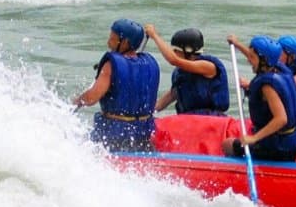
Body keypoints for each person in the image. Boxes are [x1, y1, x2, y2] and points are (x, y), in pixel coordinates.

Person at [73, 18, 160, 152]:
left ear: (125, 42)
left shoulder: (111, 65)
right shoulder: (150, 63)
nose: (108, 42)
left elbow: (91, 98)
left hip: (113, 136)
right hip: (143, 136)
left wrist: (77, 101)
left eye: (112, 38)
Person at [223, 34, 296, 162]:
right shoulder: (281, 69)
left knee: (227, 144)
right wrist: (237, 44)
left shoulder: (267, 87)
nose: (248, 60)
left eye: (251, 57)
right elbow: (258, 56)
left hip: (278, 149)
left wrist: (254, 138)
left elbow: (281, 119)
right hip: (291, 145)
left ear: (263, 60)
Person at [144, 24, 230, 115]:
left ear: (187, 51)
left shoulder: (208, 66)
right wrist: (149, 112)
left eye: (176, 50)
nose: (174, 53)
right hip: (188, 119)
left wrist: (154, 36)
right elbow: (171, 96)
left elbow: (173, 60)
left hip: (211, 119)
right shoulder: (180, 72)